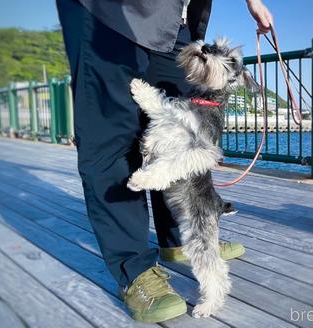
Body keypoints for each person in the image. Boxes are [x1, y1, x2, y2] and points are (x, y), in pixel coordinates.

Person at [55, 0, 273, 323]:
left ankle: (179, 241)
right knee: (111, 130)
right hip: (110, 9)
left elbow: (203, 154)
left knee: (179, 115)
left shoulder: (208, 105)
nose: (213, 50)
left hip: (172, 18)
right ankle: (135, 267)